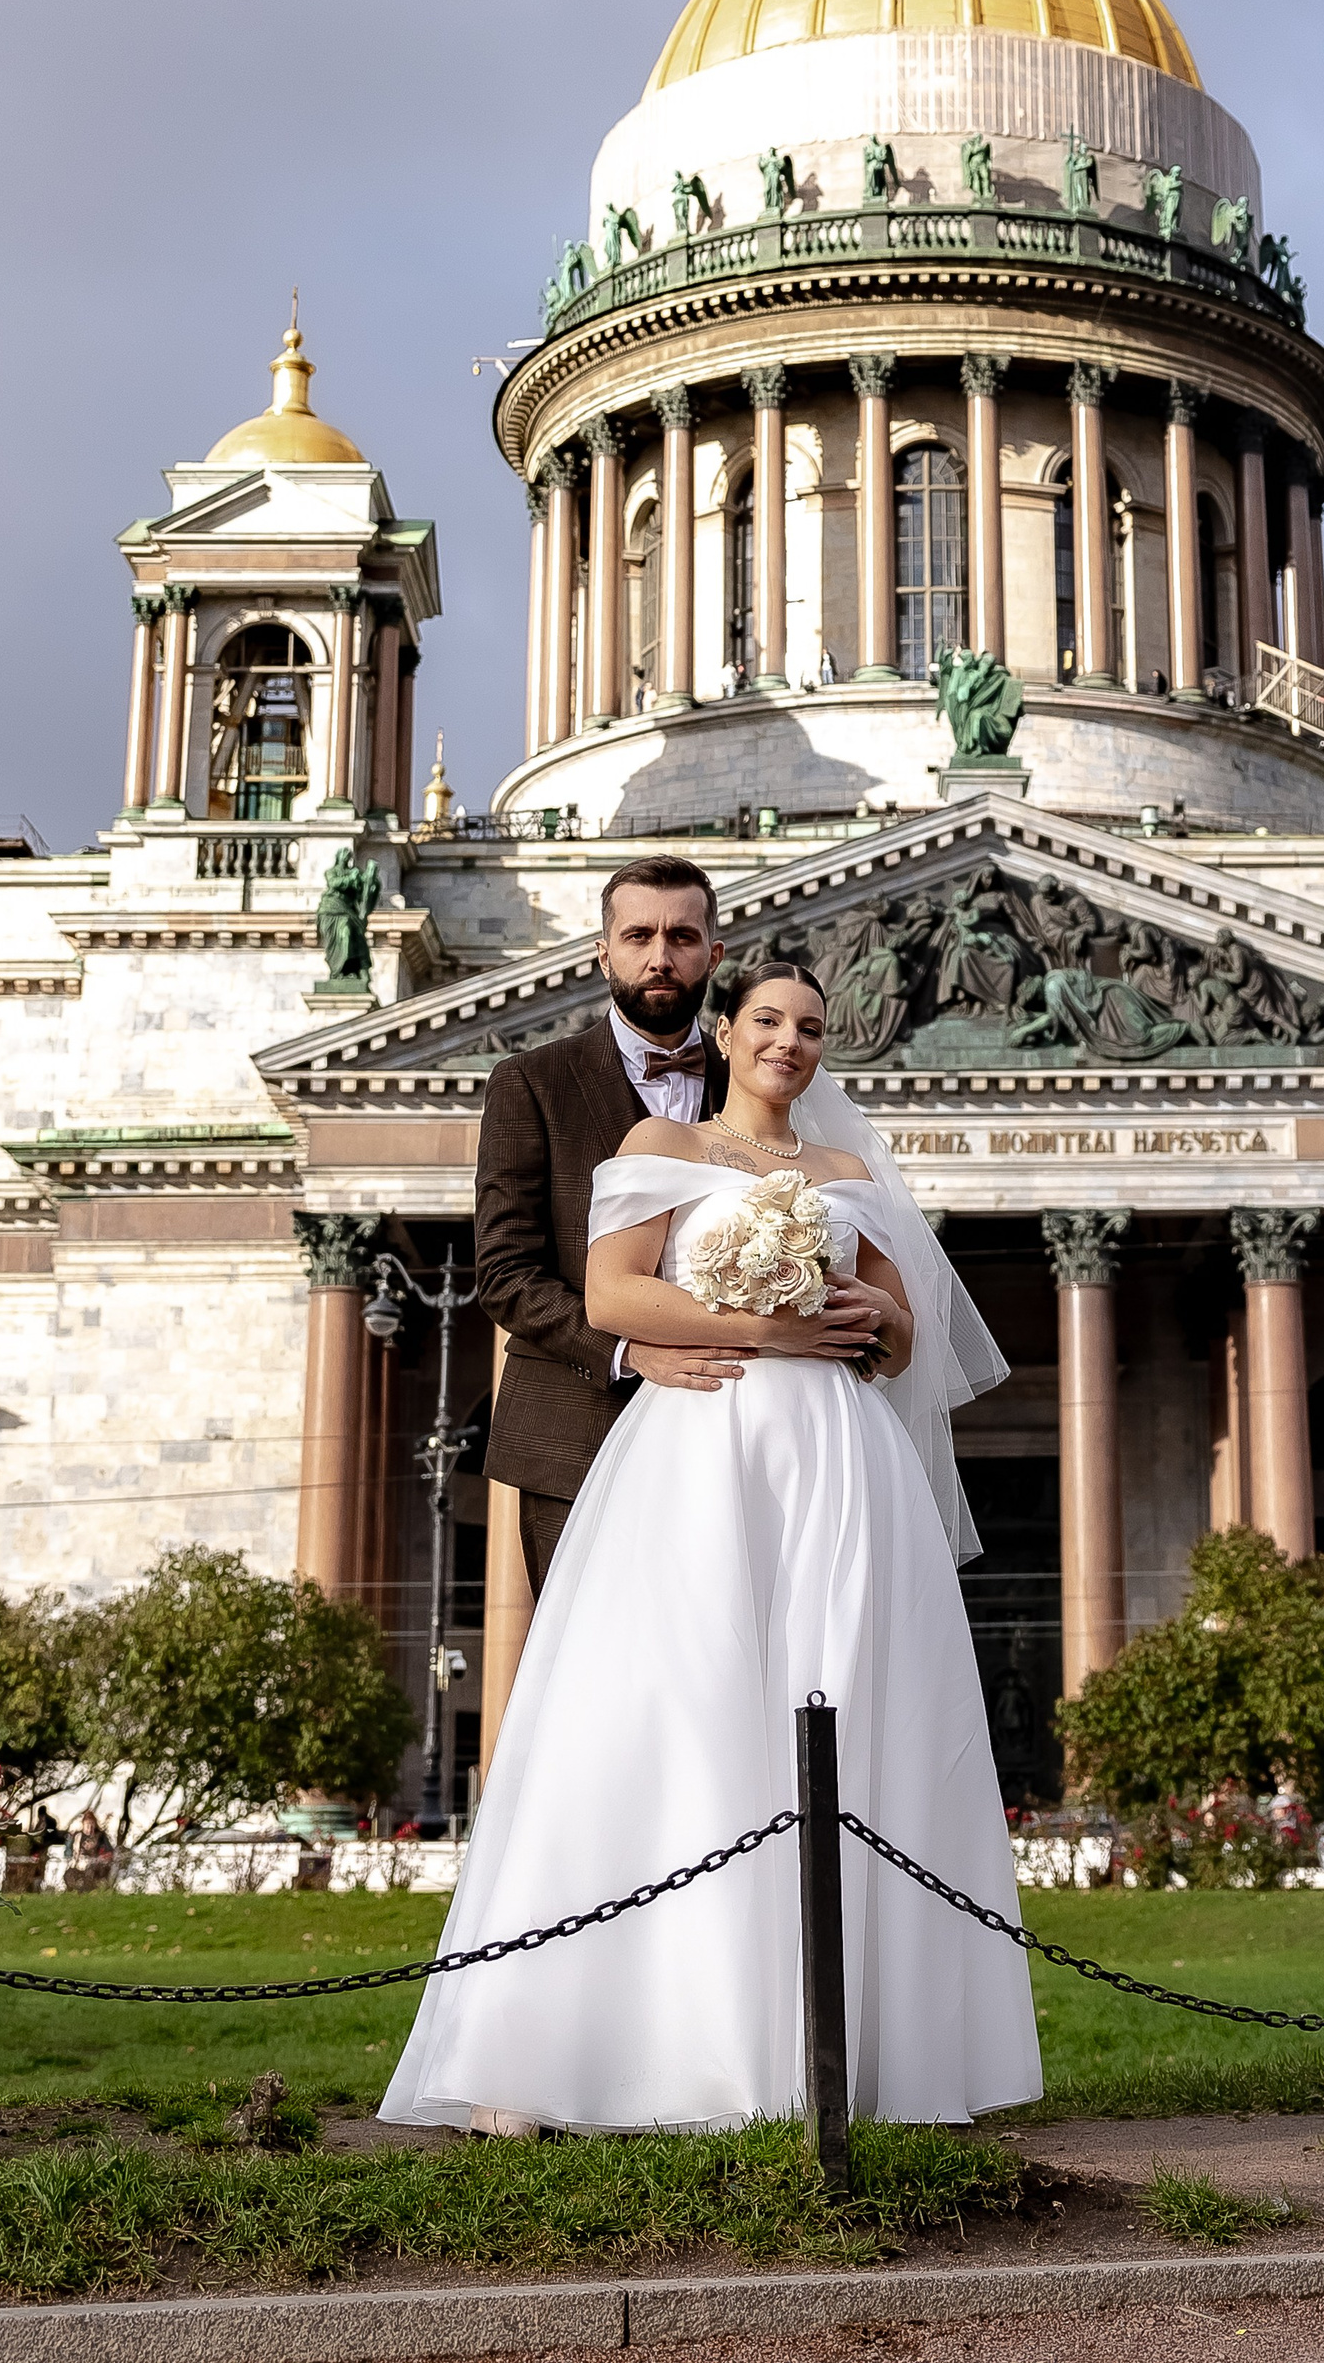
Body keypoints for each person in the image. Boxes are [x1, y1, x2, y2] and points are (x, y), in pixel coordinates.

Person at [382, 958, 1037, 2134]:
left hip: (838, 1461)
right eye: (770, 1022)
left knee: (845, 1703)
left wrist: (870, 1323)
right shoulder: (661, 1149)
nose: (790, 1043)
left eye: (812, 1029)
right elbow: (616, 1295)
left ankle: (848, 2057)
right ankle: (584, 2052)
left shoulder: (847, 1174)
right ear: (725, 1036)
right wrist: (763, 1323)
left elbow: (898, 1340)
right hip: (702, 1444)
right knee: (670, 1709)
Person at [475, 857, 787, 1594]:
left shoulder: (759, 1085)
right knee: (591, 1682)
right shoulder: (531, 1083)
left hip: (737, 1430)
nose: (659, 956)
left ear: (713, 955)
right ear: (602, 950)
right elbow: (506, 1273)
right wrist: (627, 1352)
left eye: (681, 937)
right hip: (576, 1433)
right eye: (638, 935)